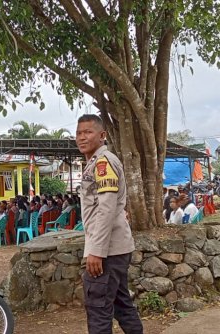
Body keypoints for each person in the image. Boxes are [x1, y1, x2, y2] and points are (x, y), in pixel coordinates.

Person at [76, 114, 142, 334]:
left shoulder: (103, 163)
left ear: (102, 135)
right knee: (122, 306)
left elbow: (106, 208)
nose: (82, 137)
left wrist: (96, 251)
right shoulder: (95, 163)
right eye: (79, 133)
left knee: (98, 310)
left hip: (108, 251)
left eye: (88, 132)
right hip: (114, 248)